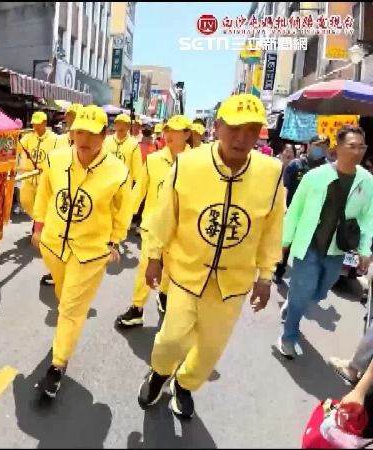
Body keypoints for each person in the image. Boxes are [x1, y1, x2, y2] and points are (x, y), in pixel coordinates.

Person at [137, 94, 284, 419]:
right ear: (216, 127)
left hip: (232, 284)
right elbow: (165, 214)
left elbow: (273, 227)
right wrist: (154, 256)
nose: (241, 137)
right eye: (233, 128)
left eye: (251, 129)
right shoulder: (189, 165)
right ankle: (159, 374)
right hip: (187, 273)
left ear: (261, 131)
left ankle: (184, 385)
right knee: (171, 340)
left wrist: (265, 276)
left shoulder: (271, 172)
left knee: (209, 351)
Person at [30, 105, 132, 398]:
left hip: (90, 252)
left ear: (105, 135)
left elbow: (123, 211)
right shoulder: (56, 159)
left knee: (72, 308)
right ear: (71, 133)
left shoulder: (117, 172)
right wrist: (37, 227)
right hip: (53, 245)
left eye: (92, 133)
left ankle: (57, 365)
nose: (84, 139)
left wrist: (115, 241)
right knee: (64, 300)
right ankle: (65, 337)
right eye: (79, 132)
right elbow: (45, 194)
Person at [278, 126, 373, 359]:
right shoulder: (315, 177)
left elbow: (368, 216)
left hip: (337, 248)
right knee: (303, 291)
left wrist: (364, 249)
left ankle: (294, 302)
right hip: (308, 245)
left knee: (320, 292)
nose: (358, 151)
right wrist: (283, 243)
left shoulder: (367, 181)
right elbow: (295, 211)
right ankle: (289, 336)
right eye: (352, 146)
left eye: (362, 147)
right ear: (337, 149)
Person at [115, 115, 192, 329]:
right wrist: (121, 223)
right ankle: (137, 308)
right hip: (153, 227)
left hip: (181, 230)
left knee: (172, 270)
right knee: (145, 269)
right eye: (167, 130)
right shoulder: (153, 160)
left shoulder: (196, 164)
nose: (169, 135)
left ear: (187, 134)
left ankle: (165, 296)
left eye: (176, 131)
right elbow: (138, 192)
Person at [17, 111, 63, 286]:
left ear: (45, 123)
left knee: (42, 205)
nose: (36, 126)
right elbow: (18, 147)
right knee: (26, 202)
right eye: (34, 123)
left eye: (38, 123)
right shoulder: (29, 137)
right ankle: (37, 221)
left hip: (44, 178)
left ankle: (40, 224)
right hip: (29, 178)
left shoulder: (55, 140)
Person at [275, 136, 329, 283]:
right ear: (308, 145)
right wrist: (284, 205)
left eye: (323, 147)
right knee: (287, 241)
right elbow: (285, 186)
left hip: (314, 216)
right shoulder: (296, 165)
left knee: (308, 247)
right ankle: (279, 269)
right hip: (294, 210)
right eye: (317, 145)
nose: (320, 149)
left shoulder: (328, 170)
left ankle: (301, 279)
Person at [104, 114, 143, 184]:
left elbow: (137, 170)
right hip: (107, 182)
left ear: (129, 127)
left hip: (125, 184)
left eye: (125, 124)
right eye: (118, 124)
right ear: (115, 125)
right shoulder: (107, 141)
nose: (121, 127)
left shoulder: (134, 144)